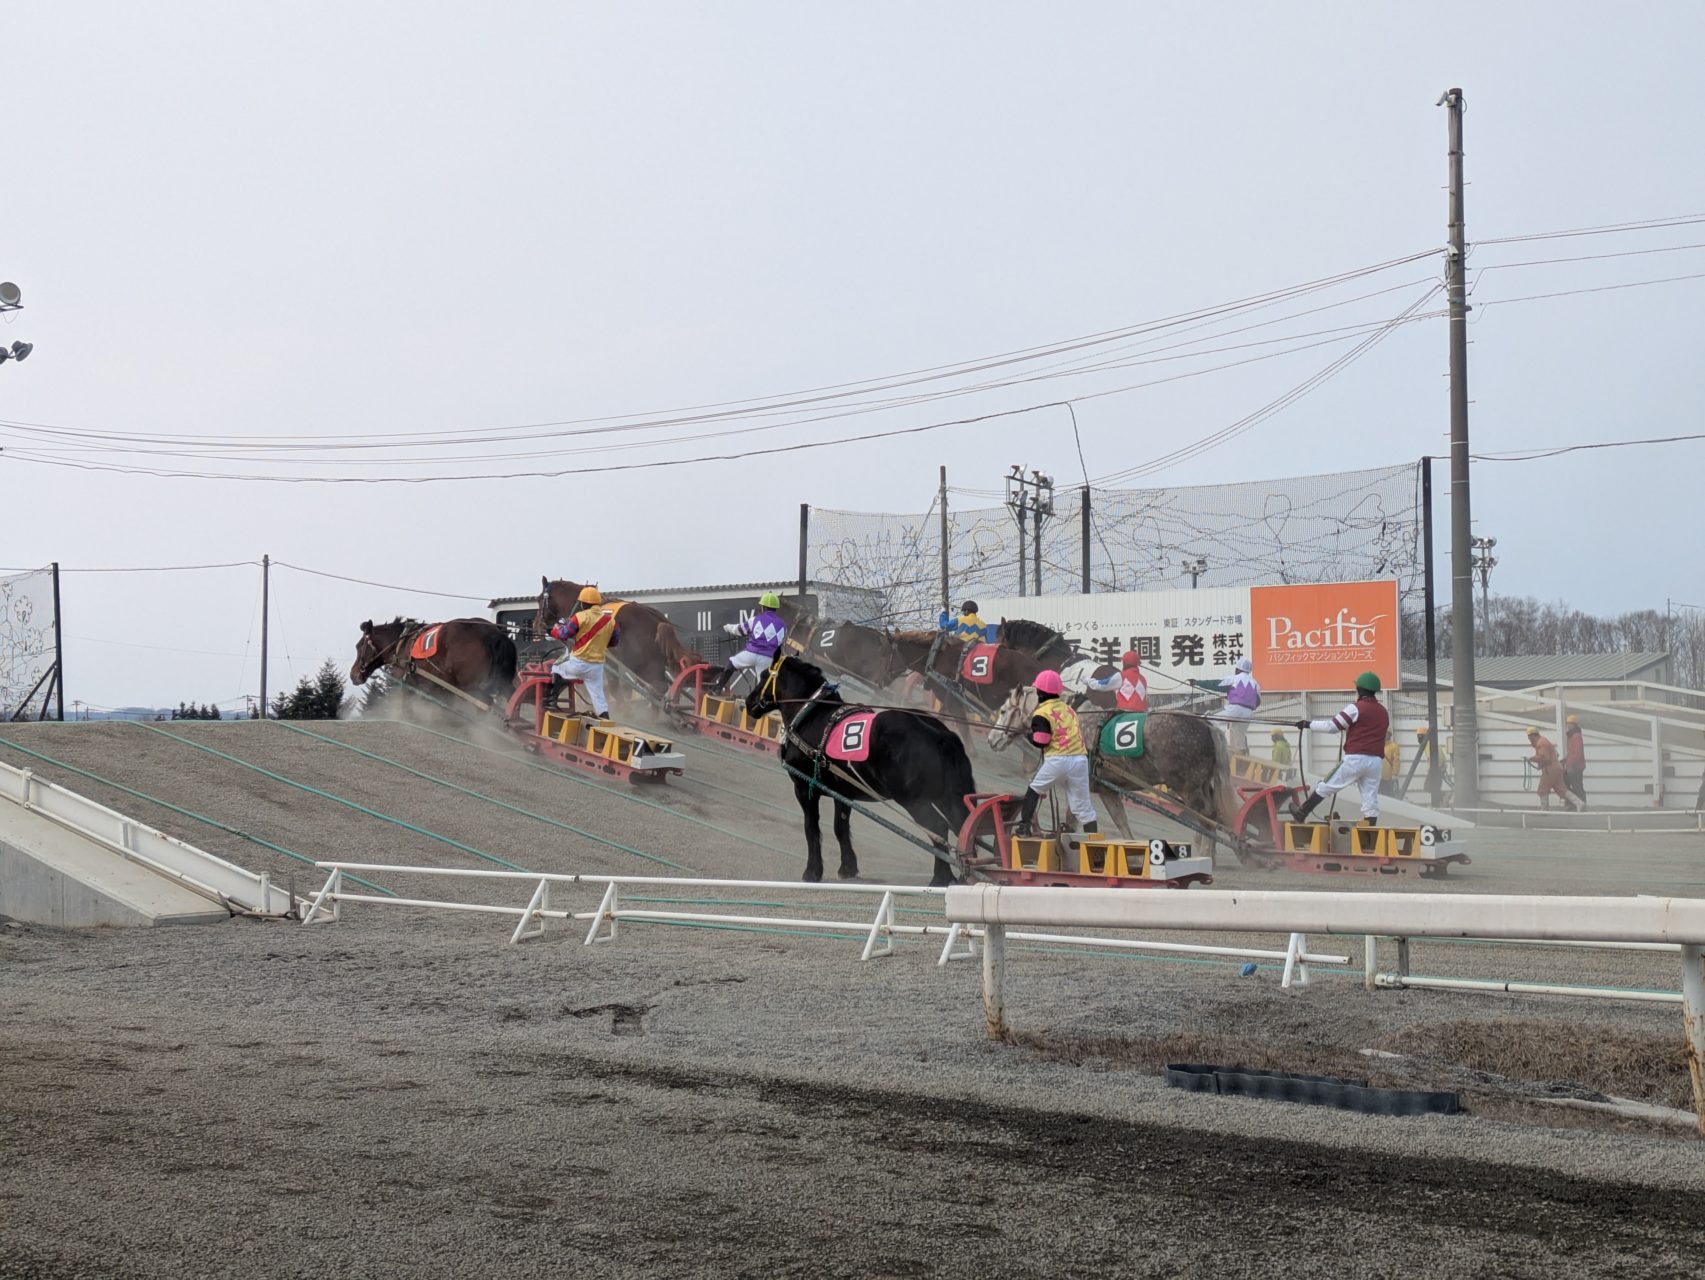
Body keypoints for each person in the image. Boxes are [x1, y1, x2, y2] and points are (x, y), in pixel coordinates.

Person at [1290, 671, 1389, 826]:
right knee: (1370, 801)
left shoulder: (1355, 708)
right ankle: (1370, 834)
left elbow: (1332, 726)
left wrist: (1308, 724)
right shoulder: (1383, 712)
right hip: (1375, 762)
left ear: (1359, 689)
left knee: (1325, 786)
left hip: (1355, 759)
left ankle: (1302, 812)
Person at [1014, 670, 1099, 837]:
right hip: (1080, 760)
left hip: (1057, 760)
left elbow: (1042, 741)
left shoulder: (1041, 713)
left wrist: (1029, 736)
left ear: (1040, 692)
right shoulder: (1069, 710)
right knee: (1083, 807)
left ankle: (1024, 827)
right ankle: (1093, 841)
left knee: (1034, 790)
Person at [548, 585, 619, 719]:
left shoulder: (579, 617)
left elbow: (563, 634)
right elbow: (614, 642)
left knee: (557, 666)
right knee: (598, 698)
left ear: (583, 604)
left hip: (578, 663)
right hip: (597, 667)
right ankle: (605, 719)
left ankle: (552, 700)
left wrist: (553, 630)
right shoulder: (611, 621)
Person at [719, 592, 788, 693]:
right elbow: (781, 643)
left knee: (731, 663)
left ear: (763, 607)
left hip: (752, 653)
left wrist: (727, 627)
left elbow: (739, 630)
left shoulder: (756, 619)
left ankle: (718, 688)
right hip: (768, 658)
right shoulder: (783, 625)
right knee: (763, 686)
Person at [1086, 651, 1148, 759]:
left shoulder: (1121, 676)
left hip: (1125, 714)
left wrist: (1088, 681)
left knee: (1102, 724)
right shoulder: (1143, 679)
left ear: (1124, 663)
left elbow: (1102, 685)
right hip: (1143, 715)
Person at [1527, 726, 1578, 812]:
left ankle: (1544, 809)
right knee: (1562, 789)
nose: (1528, 738)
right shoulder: (1544, 741)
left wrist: (1531, 759)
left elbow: (1544, 758)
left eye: (1529, 736)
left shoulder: (1541, 743)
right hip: (1556, 767)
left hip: (1550, 769)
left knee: (1542, 789)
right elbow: (1555, 755)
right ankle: (1579, 803)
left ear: (1533, 735)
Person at [1222, 656, 1260, 754]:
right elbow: (1258, 701)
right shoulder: (1255, 683)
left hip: (1233, 711)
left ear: (1239, 669)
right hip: (1248, 714)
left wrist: (1197, 683)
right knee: (1240, 735)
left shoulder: (1234, 679)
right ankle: (1241, 755)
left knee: (1212, 719)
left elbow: (1214, 684)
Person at [1562, 715, 1588, 809]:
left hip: (1575, 767)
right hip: (1572, 766)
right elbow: (1572, 752)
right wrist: (1565, 760)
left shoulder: (1576, 736)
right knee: (1570, 784)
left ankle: (1581, 804)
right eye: (1568, 723)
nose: (1568, 725)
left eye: (1570, 724)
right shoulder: (1572, 736)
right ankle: (1575, 803)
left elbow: (1577, 753)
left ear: (1574, 725)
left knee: (1577, 786)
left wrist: (1571, 765)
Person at [1380, 732, 1402, 797]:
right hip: (1379, 777)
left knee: (1389, 796)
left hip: (1389, 777)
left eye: (1387, 733)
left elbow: (1396, 761)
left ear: (1389, 735)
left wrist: (1395, 774)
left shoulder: (1394, 747)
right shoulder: (1379, 746)